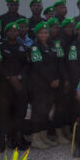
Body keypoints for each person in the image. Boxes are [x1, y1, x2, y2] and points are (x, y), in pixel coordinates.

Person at [0, 21, 29, 152]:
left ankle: (16, 141)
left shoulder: (23, 47)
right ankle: (1, 142)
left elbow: (26, 65)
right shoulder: (0, 47)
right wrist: (9, 77)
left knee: (19, 114)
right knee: (2, 115)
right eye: (10, 31)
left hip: (19, 86)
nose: (13, 33)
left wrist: (18, 78)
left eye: (15, 31)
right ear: (6, 33)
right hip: (4, 86)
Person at [28, 22, 61, 150]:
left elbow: (56, 63)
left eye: (46, 32)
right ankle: (36, 138)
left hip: (51, 84)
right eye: (41, 32)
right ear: (37, 34)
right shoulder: (35, 47)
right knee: (38, 111)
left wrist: (56, 78)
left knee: (46, 111)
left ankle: (44, 136)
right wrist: (51, 79)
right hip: (39, 84)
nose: (44, 34)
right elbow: (38, 66)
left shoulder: (51, 45)